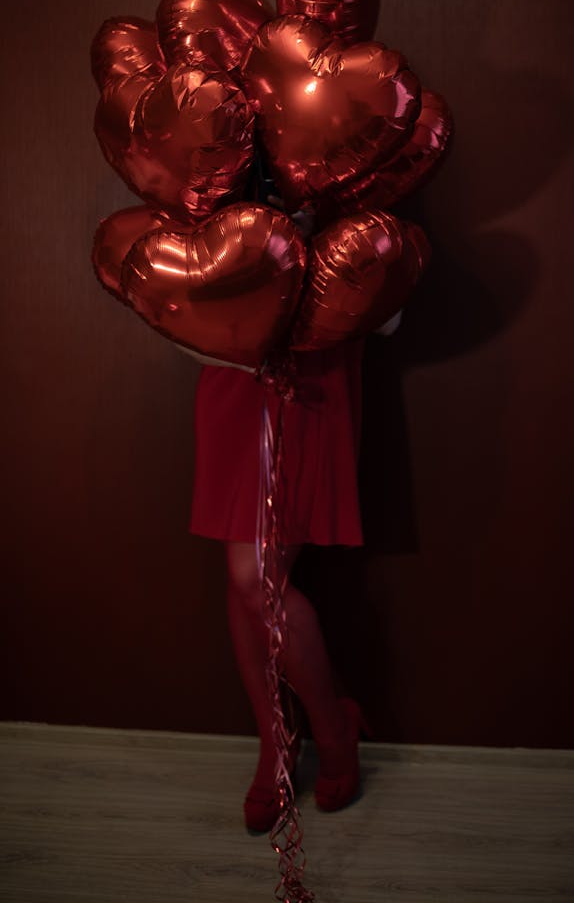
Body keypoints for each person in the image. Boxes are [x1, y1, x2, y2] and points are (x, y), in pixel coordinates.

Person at [184, 164, 400, 833]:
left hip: (312, 381)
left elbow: (389, 312)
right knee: (242, 572)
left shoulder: (349, 153)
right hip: (231, 379)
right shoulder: (214, 150)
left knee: (257, 576)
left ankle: (329, 730)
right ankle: (279, 743)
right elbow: (170, 295)